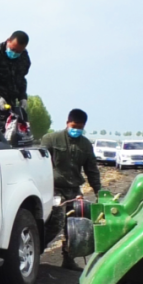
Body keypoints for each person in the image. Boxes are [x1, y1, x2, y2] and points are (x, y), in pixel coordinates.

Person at [41, 108, 101, 271]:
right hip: (54, 188)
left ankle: (69, 259)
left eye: (80, 127)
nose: (76, 130)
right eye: (74, 126)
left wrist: (98, 190)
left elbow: (92, 170)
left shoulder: (85, 145)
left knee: (75, 227)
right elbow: (40, 163)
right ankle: (34, 252)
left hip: (74, 190)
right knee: (56, 222)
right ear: (67, 123)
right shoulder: (51, 139)